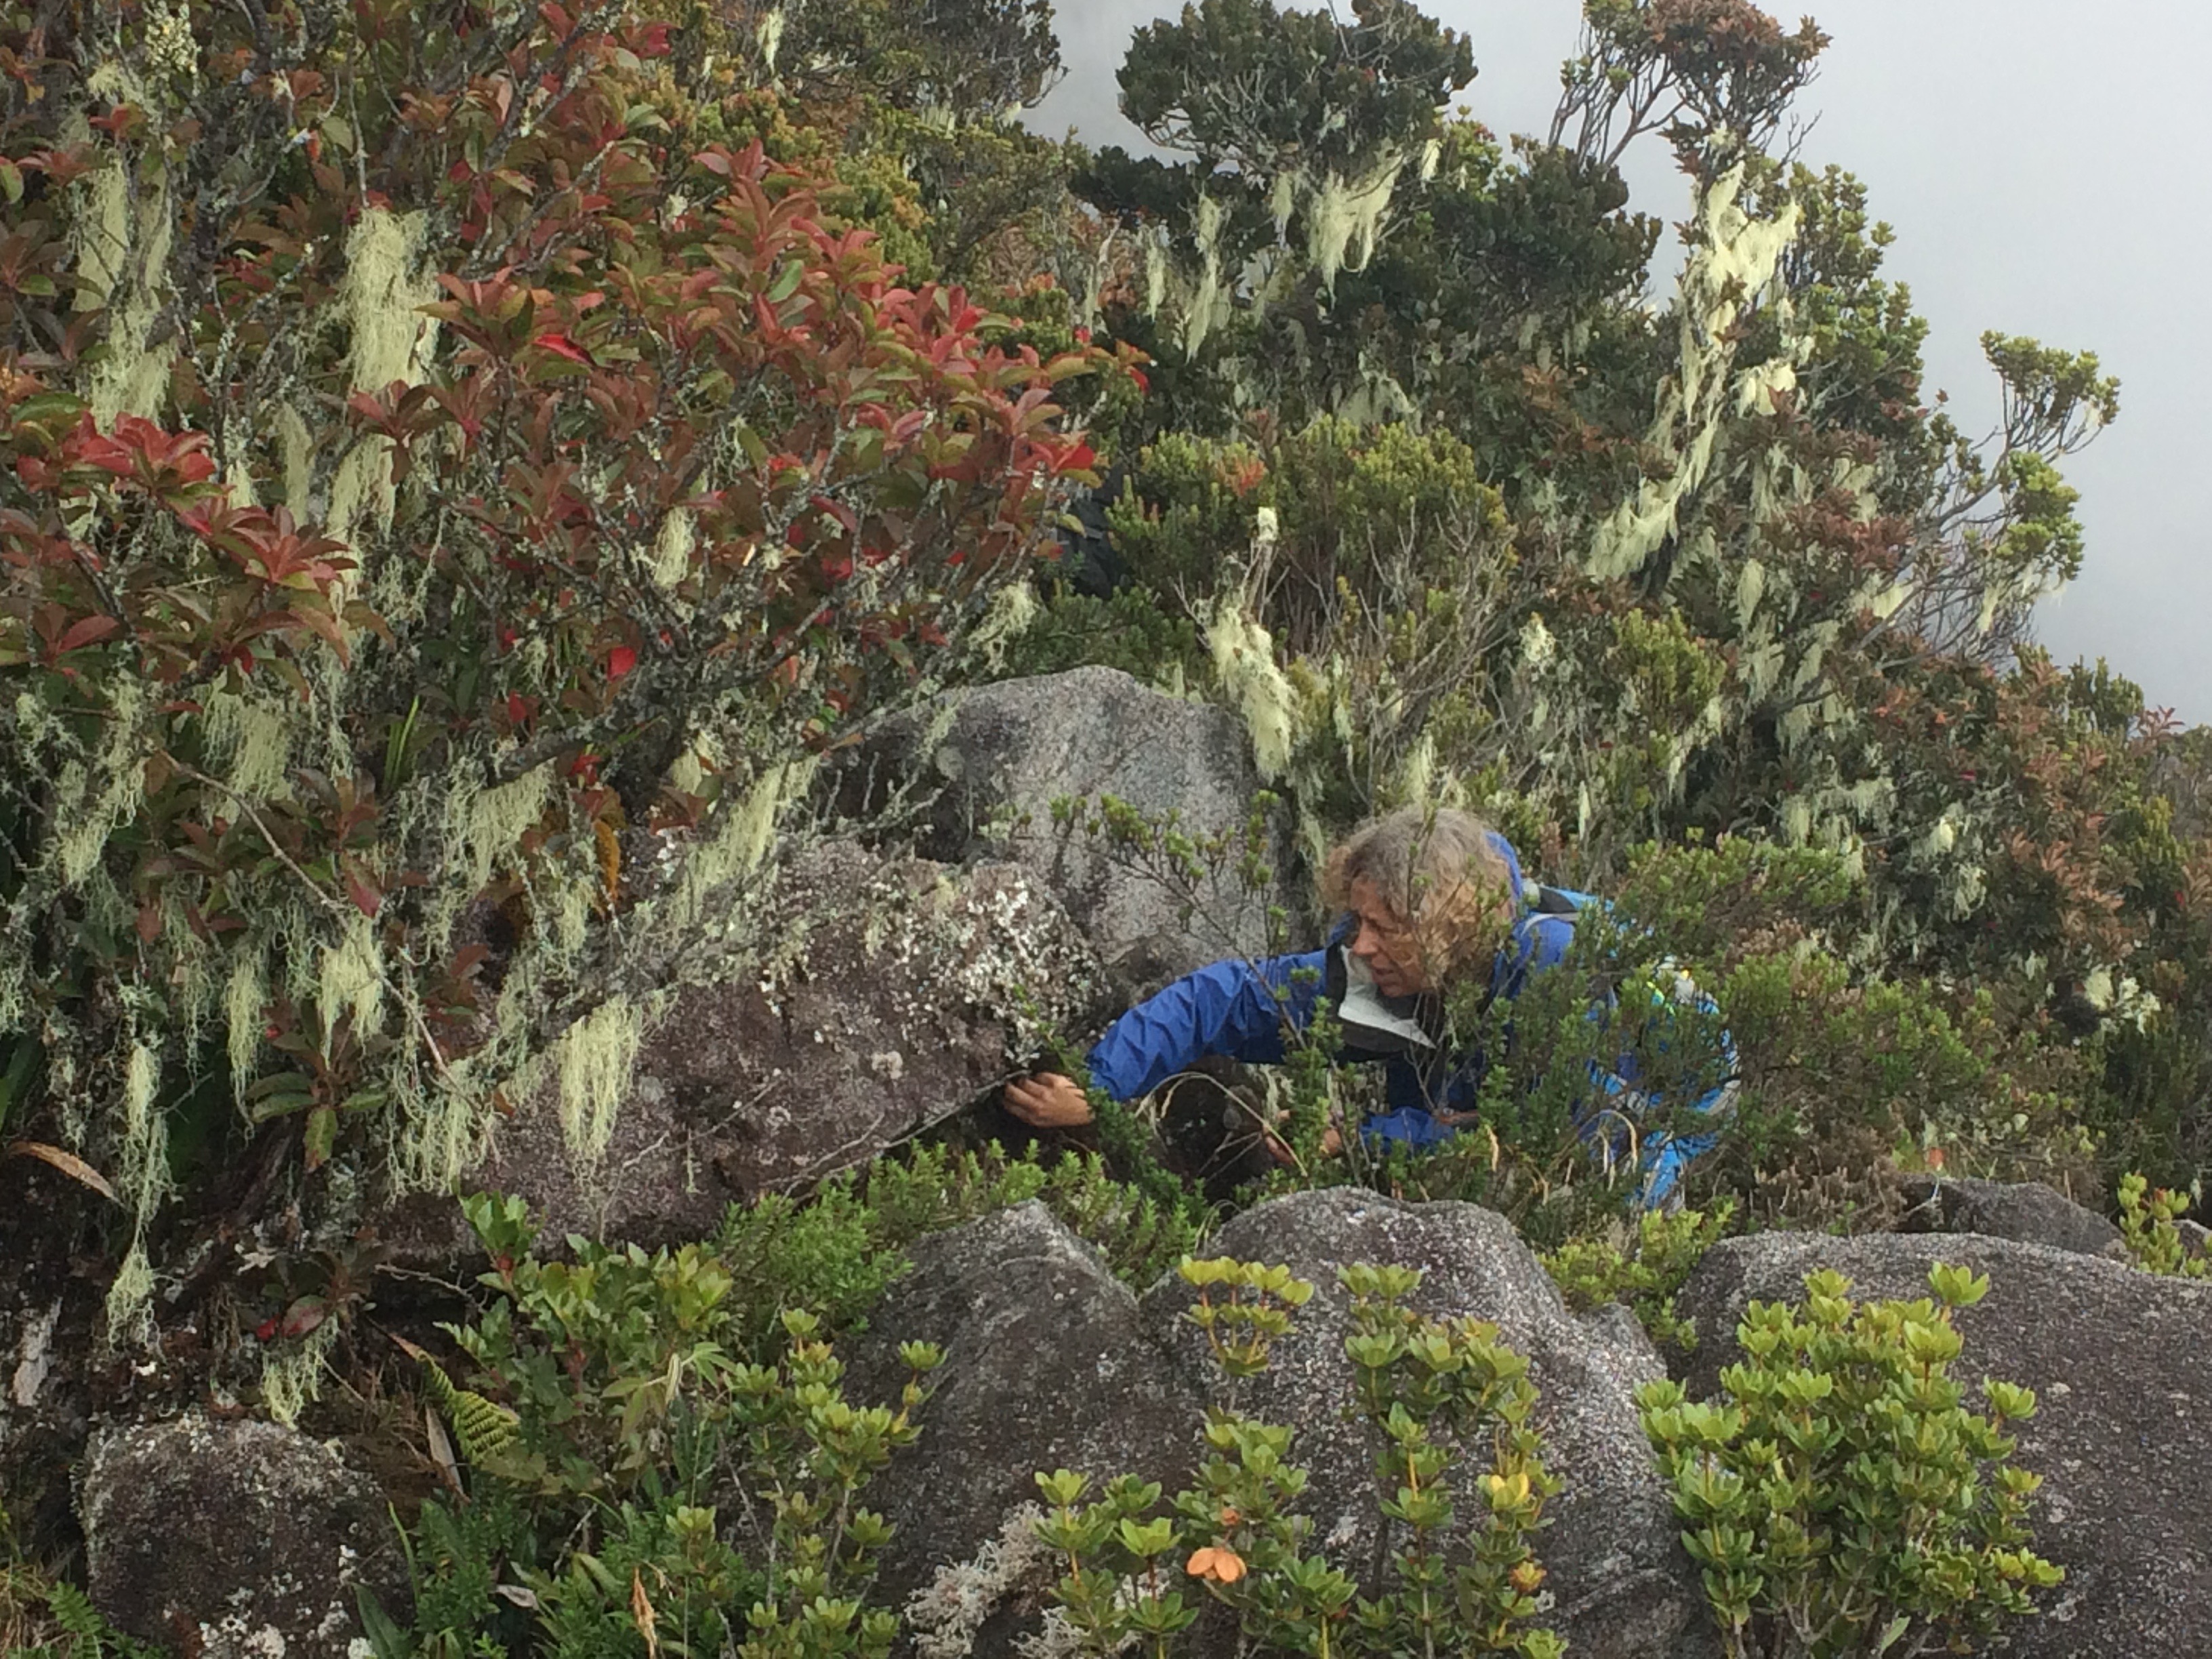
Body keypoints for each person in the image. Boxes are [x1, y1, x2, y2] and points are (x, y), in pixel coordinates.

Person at [1002, 806, 1735, 1207]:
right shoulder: (1379, 964)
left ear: (1453, 928)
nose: (1363, 943)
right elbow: (1226, 997)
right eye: (1357, 920)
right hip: (1498, 1065)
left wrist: (1367, 1142)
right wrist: (1103, 1084)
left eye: (1387, 927)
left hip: (1655, 1109)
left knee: (1578, 1201)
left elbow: (1546, 1141)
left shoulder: (1557, 975)